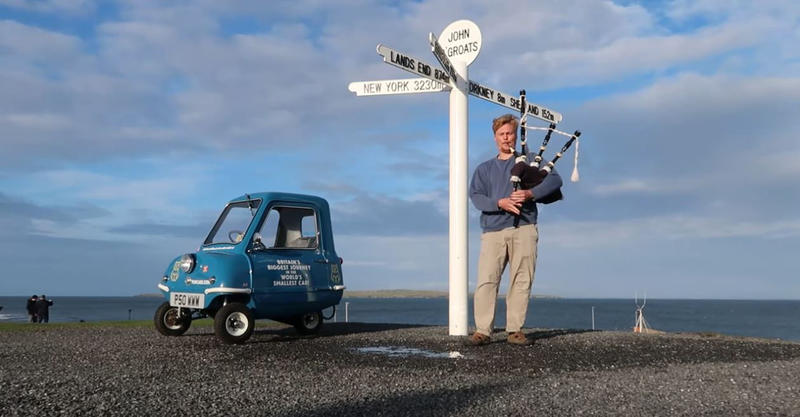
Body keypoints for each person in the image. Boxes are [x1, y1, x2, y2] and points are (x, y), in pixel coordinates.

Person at [468, 114, 562, 346]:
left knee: (522, 279)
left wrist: (530, 193)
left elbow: (555, 180)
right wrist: (499, 203)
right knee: (487, 280)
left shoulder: (530, 160)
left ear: (516, 135)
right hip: (493, 231)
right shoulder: (484, 169)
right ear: (495, 137)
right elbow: (476, 196)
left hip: (525, 228)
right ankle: (483, 330)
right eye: (501, 134)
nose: (506, 138)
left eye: (509, 133)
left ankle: (515, 330)